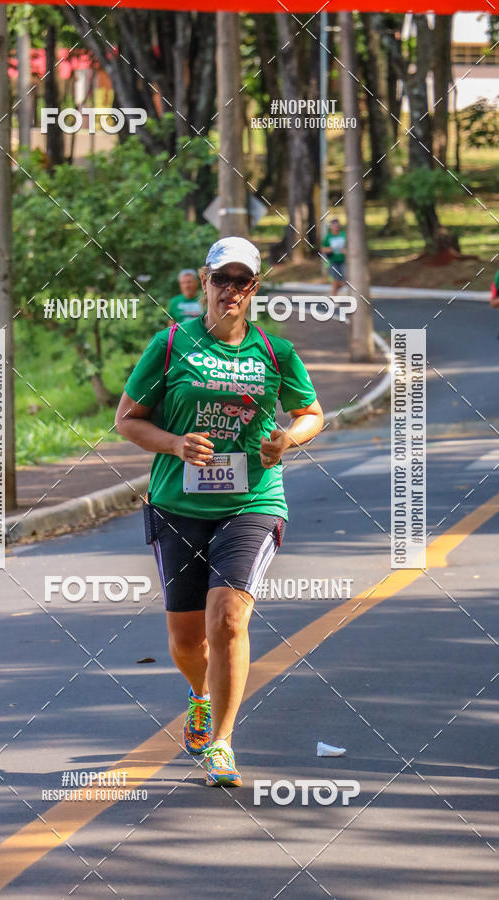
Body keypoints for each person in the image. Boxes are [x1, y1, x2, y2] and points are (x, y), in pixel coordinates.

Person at [115, 237, 323, 787]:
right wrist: (175, 443)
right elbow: (128, 420)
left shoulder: (276, 354)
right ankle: (201, 694)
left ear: (254, 289)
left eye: (243, 282)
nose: (232, 290)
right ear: (204, 281)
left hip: (252, 501)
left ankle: (223, 744)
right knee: (187, 641)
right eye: (222, 280)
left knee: (228, 619)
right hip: (177, 504)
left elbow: (311, 413)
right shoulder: (168, 347)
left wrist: (287, 440)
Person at [321, 218, 347, 295]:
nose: (336, 227)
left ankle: (334, 292)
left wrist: (345, 251)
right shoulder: (328, 237)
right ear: (331, 227)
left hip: (343, 260)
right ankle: (334, 297)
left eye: (337, 226)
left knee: (345, 281)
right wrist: (330, 249)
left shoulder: (344, 235)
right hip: (332, 261)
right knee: (335, 280)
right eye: (334, 226)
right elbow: (323, 249)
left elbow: (350, 247)